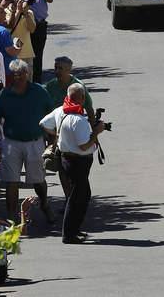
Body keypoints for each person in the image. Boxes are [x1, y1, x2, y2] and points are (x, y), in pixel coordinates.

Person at [39, 83, 105, 243]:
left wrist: (57, 136)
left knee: (83, 194)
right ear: (82, 98)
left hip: (66, 158)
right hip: (77, 161)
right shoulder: (78, 120)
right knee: (76, 196)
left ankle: (74, 230)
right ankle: (68, 234)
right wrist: (97, 131)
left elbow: (43, 123)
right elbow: (84, 145)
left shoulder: (60, 111)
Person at [0, 59, 55, 225]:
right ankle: (12, 218)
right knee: (11, 181)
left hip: (35, 142)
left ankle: (44, 204)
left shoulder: (39, 92)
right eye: (15, 75)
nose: (18, 78)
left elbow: (52, 113)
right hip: (11, 143)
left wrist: (53, 138)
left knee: (38, 180)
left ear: (27, 74)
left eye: (21, 75)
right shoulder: (5, 94)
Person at [14, 0, 53, 83]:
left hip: (40, 24)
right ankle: (23, 80)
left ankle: (37, 81)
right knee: (24, 53)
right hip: (24, 26)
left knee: (38, 53)